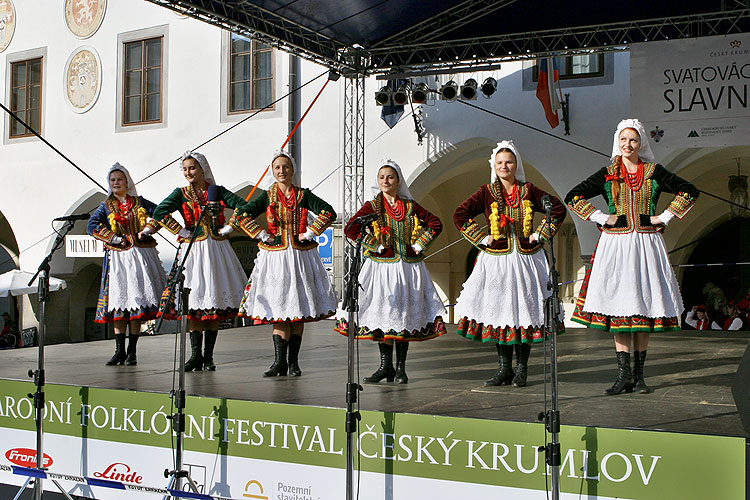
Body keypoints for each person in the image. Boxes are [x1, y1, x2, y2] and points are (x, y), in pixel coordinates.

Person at [565, 118, 699, 395]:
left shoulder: (653, 171)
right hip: (616, 246)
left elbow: (689, 191)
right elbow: (574, 196)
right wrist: (603, 216)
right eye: (624, 140)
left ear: (641, 144)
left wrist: (663, 216)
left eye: (633, 140)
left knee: (642, 306)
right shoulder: (607, 173)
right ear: (618, 142)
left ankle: (639, 377)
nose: (628, 145)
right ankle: (624, 375)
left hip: (647, 244)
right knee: (620, 308)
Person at [453, 141, 566, 387]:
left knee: (523, 311)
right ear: (494, 165)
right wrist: (481, 238)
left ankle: (522, 369)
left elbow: (556, 209)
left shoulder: (529, 190)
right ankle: (504, 369)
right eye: (500, 162)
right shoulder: (485, 192)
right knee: (500, 311)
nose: (504, 166)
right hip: (497, 261)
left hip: (526, 260)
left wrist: (539, 234)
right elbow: (460, 214)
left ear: (516, 165)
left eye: (509, 162)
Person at [335, 159, 446, 384]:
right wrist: (373, 245)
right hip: (380, 268)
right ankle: (385, 366)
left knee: (402, 315)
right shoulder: (373, 206)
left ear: (398, 181)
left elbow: (435, 223)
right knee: (385, 314)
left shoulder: (410, 206)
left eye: (390, 177)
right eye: (382, 177)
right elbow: (351, 228)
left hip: (406, 267)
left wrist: (418, 245)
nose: (386, 181)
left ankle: (400, 368)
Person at [234, 150, 337, 377]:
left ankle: (294, 362)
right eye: (278, 167)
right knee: (279, 306)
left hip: (300, 256)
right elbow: (241, 214)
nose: (282, 171)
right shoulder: (267, 196)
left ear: (292, 170)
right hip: (276, 257)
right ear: (273, 171)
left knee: (297, 308)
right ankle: (280, 361)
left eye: (286, 167)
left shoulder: (303, 195)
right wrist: (261, 234)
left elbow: (328, 212)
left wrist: (310, 232)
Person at [151, 151, 248, 371]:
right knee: (193, 301)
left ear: (202, 168)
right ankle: (195, 355)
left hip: (216, 249)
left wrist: (230, 227)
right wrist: (181, 230)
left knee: (212, 302)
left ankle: (209, 356)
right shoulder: (181, 193)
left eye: (192, 168)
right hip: (193, 248)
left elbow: (243, 206)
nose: (188, 173)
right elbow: (159, 212)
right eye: (185, 169)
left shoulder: (217, 191)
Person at [87, 163, 167, 365]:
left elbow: (161, 213)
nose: (116, 183)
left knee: (136, 303)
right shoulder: (105, 206)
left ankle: (132, 352)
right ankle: (119, 351)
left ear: (127, 182)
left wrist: (147, 230)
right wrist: (113, 238)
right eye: (112, 180)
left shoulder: (139, 202)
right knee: (119, 305)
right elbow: (92, 225)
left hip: (139, 256)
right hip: (118, 260)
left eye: (119, 179)